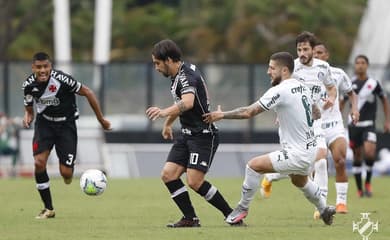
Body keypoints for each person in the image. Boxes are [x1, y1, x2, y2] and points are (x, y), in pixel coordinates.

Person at [203, 51, 336, 226]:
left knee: (253, 166)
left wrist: (222, 115)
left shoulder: (280, 90)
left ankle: (241, 209)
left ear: (285, 71)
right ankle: (324, 209)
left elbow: (248, 112)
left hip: (297, 153)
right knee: (299, 180)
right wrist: (292, 115)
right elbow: (316, 112)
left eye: (272, 68)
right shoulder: (302, 86)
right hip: (310, 150)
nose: (268, 72)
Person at [145, 39, 241, 227]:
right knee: (168, 174)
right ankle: (190, 218)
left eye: (157, 63)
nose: (156, 67)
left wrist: (164, 112)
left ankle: (231, 215)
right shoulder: (178, 73)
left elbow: (187, 103)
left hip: (203, 135)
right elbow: (182, 105)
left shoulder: (186, 76)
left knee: (195, 181)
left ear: (169, 60)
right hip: (187, 134)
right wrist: (168, 123)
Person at [22, 52, 111, 219]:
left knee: (66, 174)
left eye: (46, 66)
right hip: (45, 125)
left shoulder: (63, 80)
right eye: (38, 67)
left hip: (66, 126)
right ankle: (48, 209)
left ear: (50, 66)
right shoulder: (28, 85)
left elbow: (89, 92)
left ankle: (68, 174)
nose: (42, 70)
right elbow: (29, 109)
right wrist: (27, 117)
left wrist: (101, 120)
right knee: (39, 162)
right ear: (33, 67)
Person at [260, 32, 341, 211]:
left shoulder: (323, 67)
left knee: (320, 159)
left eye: (305, 49)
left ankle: (321, 207)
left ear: (313, 50)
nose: (302, 53)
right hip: (292, 123)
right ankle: (271, 177)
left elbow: (332, 88)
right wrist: (278, 111)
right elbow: (277, 90)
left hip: (315, 121)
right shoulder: (291, 68)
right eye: (299, 49)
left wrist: (332, 98)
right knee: (298, 168)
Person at [309, 42, 359, 218]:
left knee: (339, 161)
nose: (317, 56)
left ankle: (341, 201)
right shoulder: (307, 76)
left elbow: (351, 93)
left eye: (320, 52)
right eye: (314, 53)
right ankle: (321, 204)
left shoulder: (338, 74)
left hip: (335, 126)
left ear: (327, 55)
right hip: (316, 127)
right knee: (319, 164)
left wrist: (354, 109)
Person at [340, 54, 390, 197]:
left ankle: (368, 183)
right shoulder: (350, 84)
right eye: (357, 63)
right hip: (354, 125)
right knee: (357, 156)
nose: (360, 65)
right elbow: (342, 102)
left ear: (367, 65)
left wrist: (387, 121)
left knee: (369, 152)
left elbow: (384, 100)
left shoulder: (374, 83)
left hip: (369, 125)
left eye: (363, 63)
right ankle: (359, 189)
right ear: (355, 66)